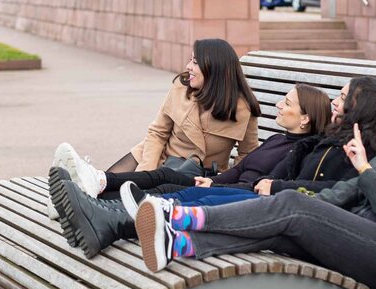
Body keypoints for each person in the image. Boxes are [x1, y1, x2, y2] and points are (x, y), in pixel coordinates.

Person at [51, 77, 376, 260]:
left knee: (282, 207)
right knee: (274, 222)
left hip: (348, 235)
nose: (335, 102)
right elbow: (336, 193)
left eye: (343, 98)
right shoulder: (324, 145)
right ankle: (121, 224)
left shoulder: (357, 155)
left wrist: (362, 169)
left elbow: (339, 194)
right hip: (317, 222)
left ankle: (166, 216)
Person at [134, 121, 376, 289]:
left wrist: (365, 169)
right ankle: (178, 244)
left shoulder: (369, 165)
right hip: (354, 234)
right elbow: (344, 192)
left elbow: (365, 184)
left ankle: (180, 217)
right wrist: (310, 211)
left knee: (292, 203)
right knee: (280, 231)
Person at [51, 83, 331, 203]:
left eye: (288, 103)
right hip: (215, 180)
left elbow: (262, 182)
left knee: (167, 186)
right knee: (165, 175)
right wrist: (217, 181)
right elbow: (243, 165)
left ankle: (89, 196)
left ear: (305, 118)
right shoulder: (279, 139)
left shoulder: (298, 150)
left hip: (232, 193)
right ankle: (95, 183)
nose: (279, 105)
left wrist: (219, 184)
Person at [54, 38, 261, 185]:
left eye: (195, 62)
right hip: (155, 156)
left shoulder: (243, 110)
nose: (188, 66)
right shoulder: (181, 88)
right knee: (107, 182)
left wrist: (223, 185)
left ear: (213, 69)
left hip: (192, 174)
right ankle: (77, 186)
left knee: (112, 190)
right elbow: (157, 133)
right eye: (190, 60)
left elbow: (247, 156)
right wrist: (145, 173)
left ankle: (80, 185)